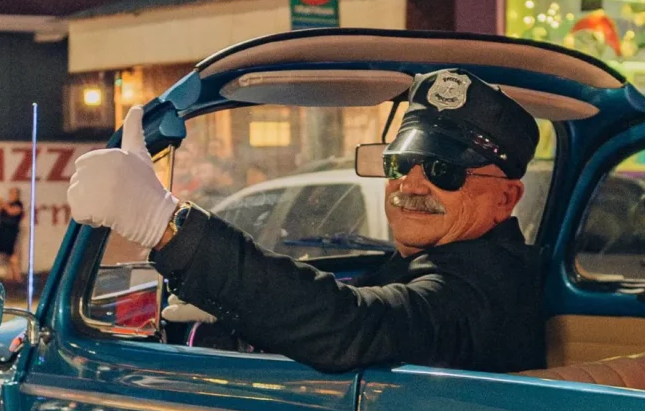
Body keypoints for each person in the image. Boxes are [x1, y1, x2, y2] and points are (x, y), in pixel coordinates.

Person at [66, 71, 546, 373]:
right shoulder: (441, 261)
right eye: (400, 165)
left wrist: (164, 224)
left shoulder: (484, 286)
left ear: (507, 198)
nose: (411, 187)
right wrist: (232, 304)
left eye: (444, 171)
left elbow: (353, 325)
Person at [0, 185, 27, 286]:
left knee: (13, 255)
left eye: (13, 193)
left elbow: (12, 212)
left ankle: (17, 277)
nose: (11, 195)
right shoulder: (7, 205)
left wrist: (3, 204)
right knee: (7, 256)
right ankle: (10, 276)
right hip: (4, 233)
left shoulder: (18, 205)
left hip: (12, 233)